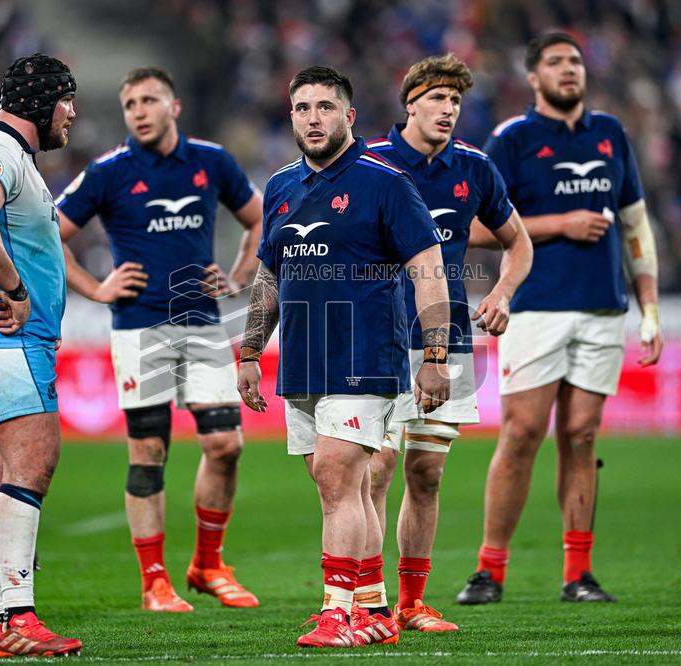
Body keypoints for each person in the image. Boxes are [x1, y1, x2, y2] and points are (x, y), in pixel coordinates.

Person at [237, 65, 450, 648]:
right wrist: (251, 349)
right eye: (302, 107)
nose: (313, 118)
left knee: (337, 473)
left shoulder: (385, 183)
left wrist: (436, 354)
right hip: (303, 358)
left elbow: (428, 272)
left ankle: (339, 614)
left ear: (349, 116)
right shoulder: (280, 187)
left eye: (325, 107)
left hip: (365, 353)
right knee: (342, 485)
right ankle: (373, 605)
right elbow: (268, 277)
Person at [456, 32, 663, 605]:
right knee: (522, 433)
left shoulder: (611, 133)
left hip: (601, 306)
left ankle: (579, 574)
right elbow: (472, 227)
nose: (569, 70)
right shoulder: (512, 140)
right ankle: (488, 570)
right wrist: (558, 224)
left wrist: (650, 308)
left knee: (582, 434)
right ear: (533, 78)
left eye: (575, 61)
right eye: (555, 62)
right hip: (536, 304)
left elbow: (635, 227)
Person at [55, 66, 263, 612]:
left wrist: (239, 277)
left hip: (201, 322)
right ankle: (154, 583)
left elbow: (260, 218)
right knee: (148, 451)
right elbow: (49, 234)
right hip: (139, 326)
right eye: (131, 104)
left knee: (226, 444)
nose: (140, 111)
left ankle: (208, 565)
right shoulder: (109, 171)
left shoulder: (211, 161)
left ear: (174, 106)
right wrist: (95, 289)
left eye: (150, 100)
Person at [364, 53, 533, 631]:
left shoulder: (475, 169)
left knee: (426, 472)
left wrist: (503, 293)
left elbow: (520, 243)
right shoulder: (368, 162)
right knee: (377, 468)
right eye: (437, 98)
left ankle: (411, 604)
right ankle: (368, 603)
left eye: (456, 101)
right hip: (377, 341)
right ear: (410, 102)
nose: (448, 109)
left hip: (447, 341)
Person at [0, 53, 81, 657]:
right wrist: (19, 292)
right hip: (2, 332)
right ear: (45, 102)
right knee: (34, 461)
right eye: (67, 101)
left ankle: (0, 619)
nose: (73, 114)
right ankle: (15, 619)